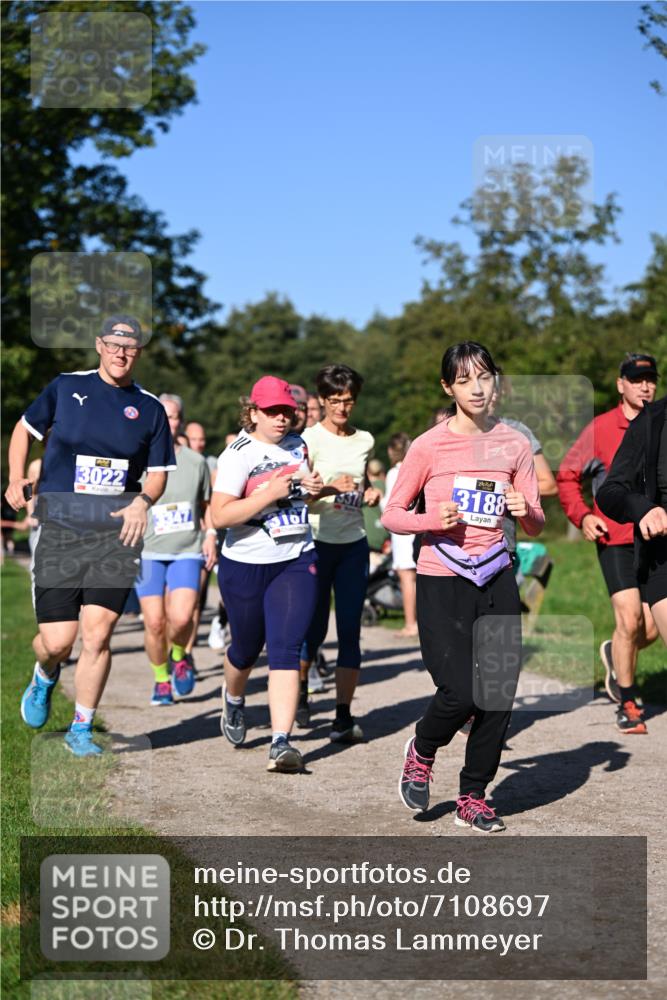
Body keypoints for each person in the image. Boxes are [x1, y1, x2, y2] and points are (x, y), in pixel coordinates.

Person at [383, 341, 544, 833]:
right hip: (441, 575)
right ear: (448, 387)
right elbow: (392, 513)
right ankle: (423, 748)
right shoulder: (428, 446)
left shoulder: (514, 445)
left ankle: (473, 795)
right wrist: (433, 518)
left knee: (497, 691)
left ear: (496, 381)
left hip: (496, 572)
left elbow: (536, 521)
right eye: (465, 379)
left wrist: (524, 510)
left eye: (485, 377)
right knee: (457, 692)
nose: (477, 387)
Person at [5, 315, 175, 756]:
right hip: (62, 529)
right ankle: (44, 674)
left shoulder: (151, 409)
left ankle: (81, 728)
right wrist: (15, 477)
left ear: (139, 352)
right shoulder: (65, 387)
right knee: (58, 642)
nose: (121, 353)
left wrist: (143, 501)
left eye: (130, 346)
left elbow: (157, 476)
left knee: (98, 634)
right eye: (114, 344)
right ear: (99, 345)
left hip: (115, 535)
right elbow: (25, 429)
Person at [210, 376, 323, 773]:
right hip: (244, 563)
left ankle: (281, 742)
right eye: (272, 412)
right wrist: (268, 494)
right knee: (244, 648)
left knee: (285, 648)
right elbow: (219, 515)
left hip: (295, 557)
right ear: (253, 412)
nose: (281, 419)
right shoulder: (236, 455)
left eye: (287, 412)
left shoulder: (299, 445)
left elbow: (302, 495)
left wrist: (313, 488)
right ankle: (235, 699)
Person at [557, 353, 659, 732]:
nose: (645, 386)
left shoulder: (660, 425)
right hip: (614, 537)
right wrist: (582, 516)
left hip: (656, 537)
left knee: (652, 626)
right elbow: (567, 476)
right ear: (621, 385)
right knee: (629, 619)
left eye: (651, 379)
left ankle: (616, 656)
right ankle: (628, 701)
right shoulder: (600, 430)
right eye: (636, 379)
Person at [298, 364, 382, 740]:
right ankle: (299, 692)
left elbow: (360, 487)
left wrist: (369, 495)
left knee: (350, 631)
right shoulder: (308, 440)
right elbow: (298, 494)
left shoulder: (364, 440)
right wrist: (330, 488)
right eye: (334, 401)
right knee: (312, 629)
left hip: (353, 544)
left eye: (348, 401)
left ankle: (343, 714)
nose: (342, 409)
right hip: (315, 542)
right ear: (322, 401)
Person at [134, 394, 217, 705]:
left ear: (180, 420)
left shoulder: (196, 462)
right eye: (163, 416)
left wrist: (210, 535)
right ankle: (161, 680)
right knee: (155, 622)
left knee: (181, 619)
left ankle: (180, 655)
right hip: (148, 552)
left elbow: (207, 505)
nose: (169, 422)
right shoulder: (138, 457)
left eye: (173, 417)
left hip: (187, 549)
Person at [597, 394, 667, 645]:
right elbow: (610, 491)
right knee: (634, 622)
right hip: (663, 558)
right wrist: (644, 509)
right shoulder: (652, 421)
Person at [381, 433, 418, 638]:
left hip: (401, 532)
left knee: (406, 578)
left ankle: (411, 623)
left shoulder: (394, 473)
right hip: (417, 527)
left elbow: (388, 505)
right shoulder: (415, 469)